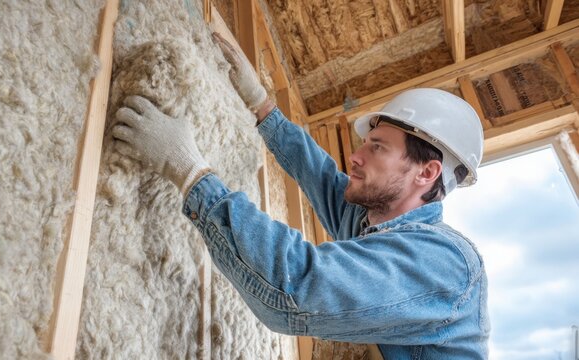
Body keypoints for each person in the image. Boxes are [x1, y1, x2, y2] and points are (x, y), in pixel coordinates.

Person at [111, 33, 490, 359]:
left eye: (377, 148)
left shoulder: (444, 263)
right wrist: (262, 105)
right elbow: (322, 176)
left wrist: (189, 171)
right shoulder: (374, 221)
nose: (355, 157)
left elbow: (295, 286)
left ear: (426, 173)